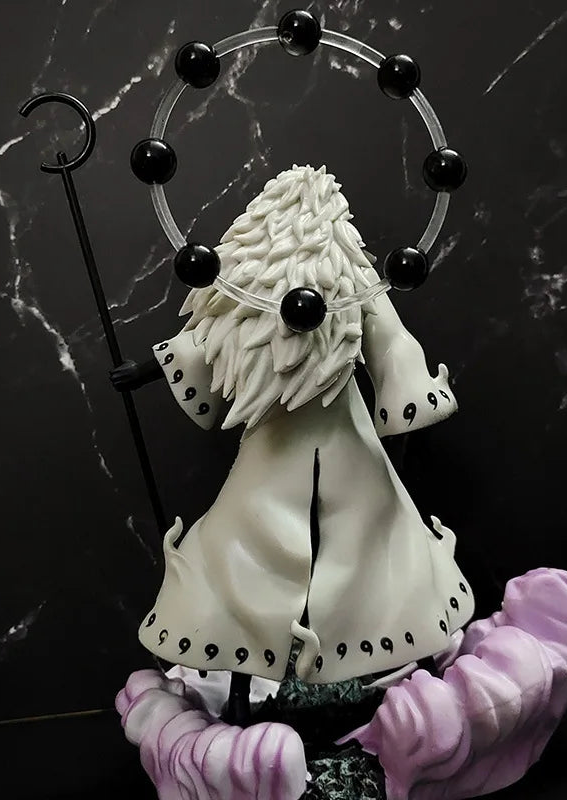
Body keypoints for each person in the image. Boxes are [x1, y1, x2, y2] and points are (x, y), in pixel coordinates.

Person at [111, 165, 474, 725]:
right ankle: (242, 687)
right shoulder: (251, 286)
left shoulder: (352, 284)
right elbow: (207, 335)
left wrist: (409, 394)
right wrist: (144, 370)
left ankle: (415, 671)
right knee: (243, 548)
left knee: (377, 544)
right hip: (273, 444)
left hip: (345, 440)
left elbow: (392, 342)